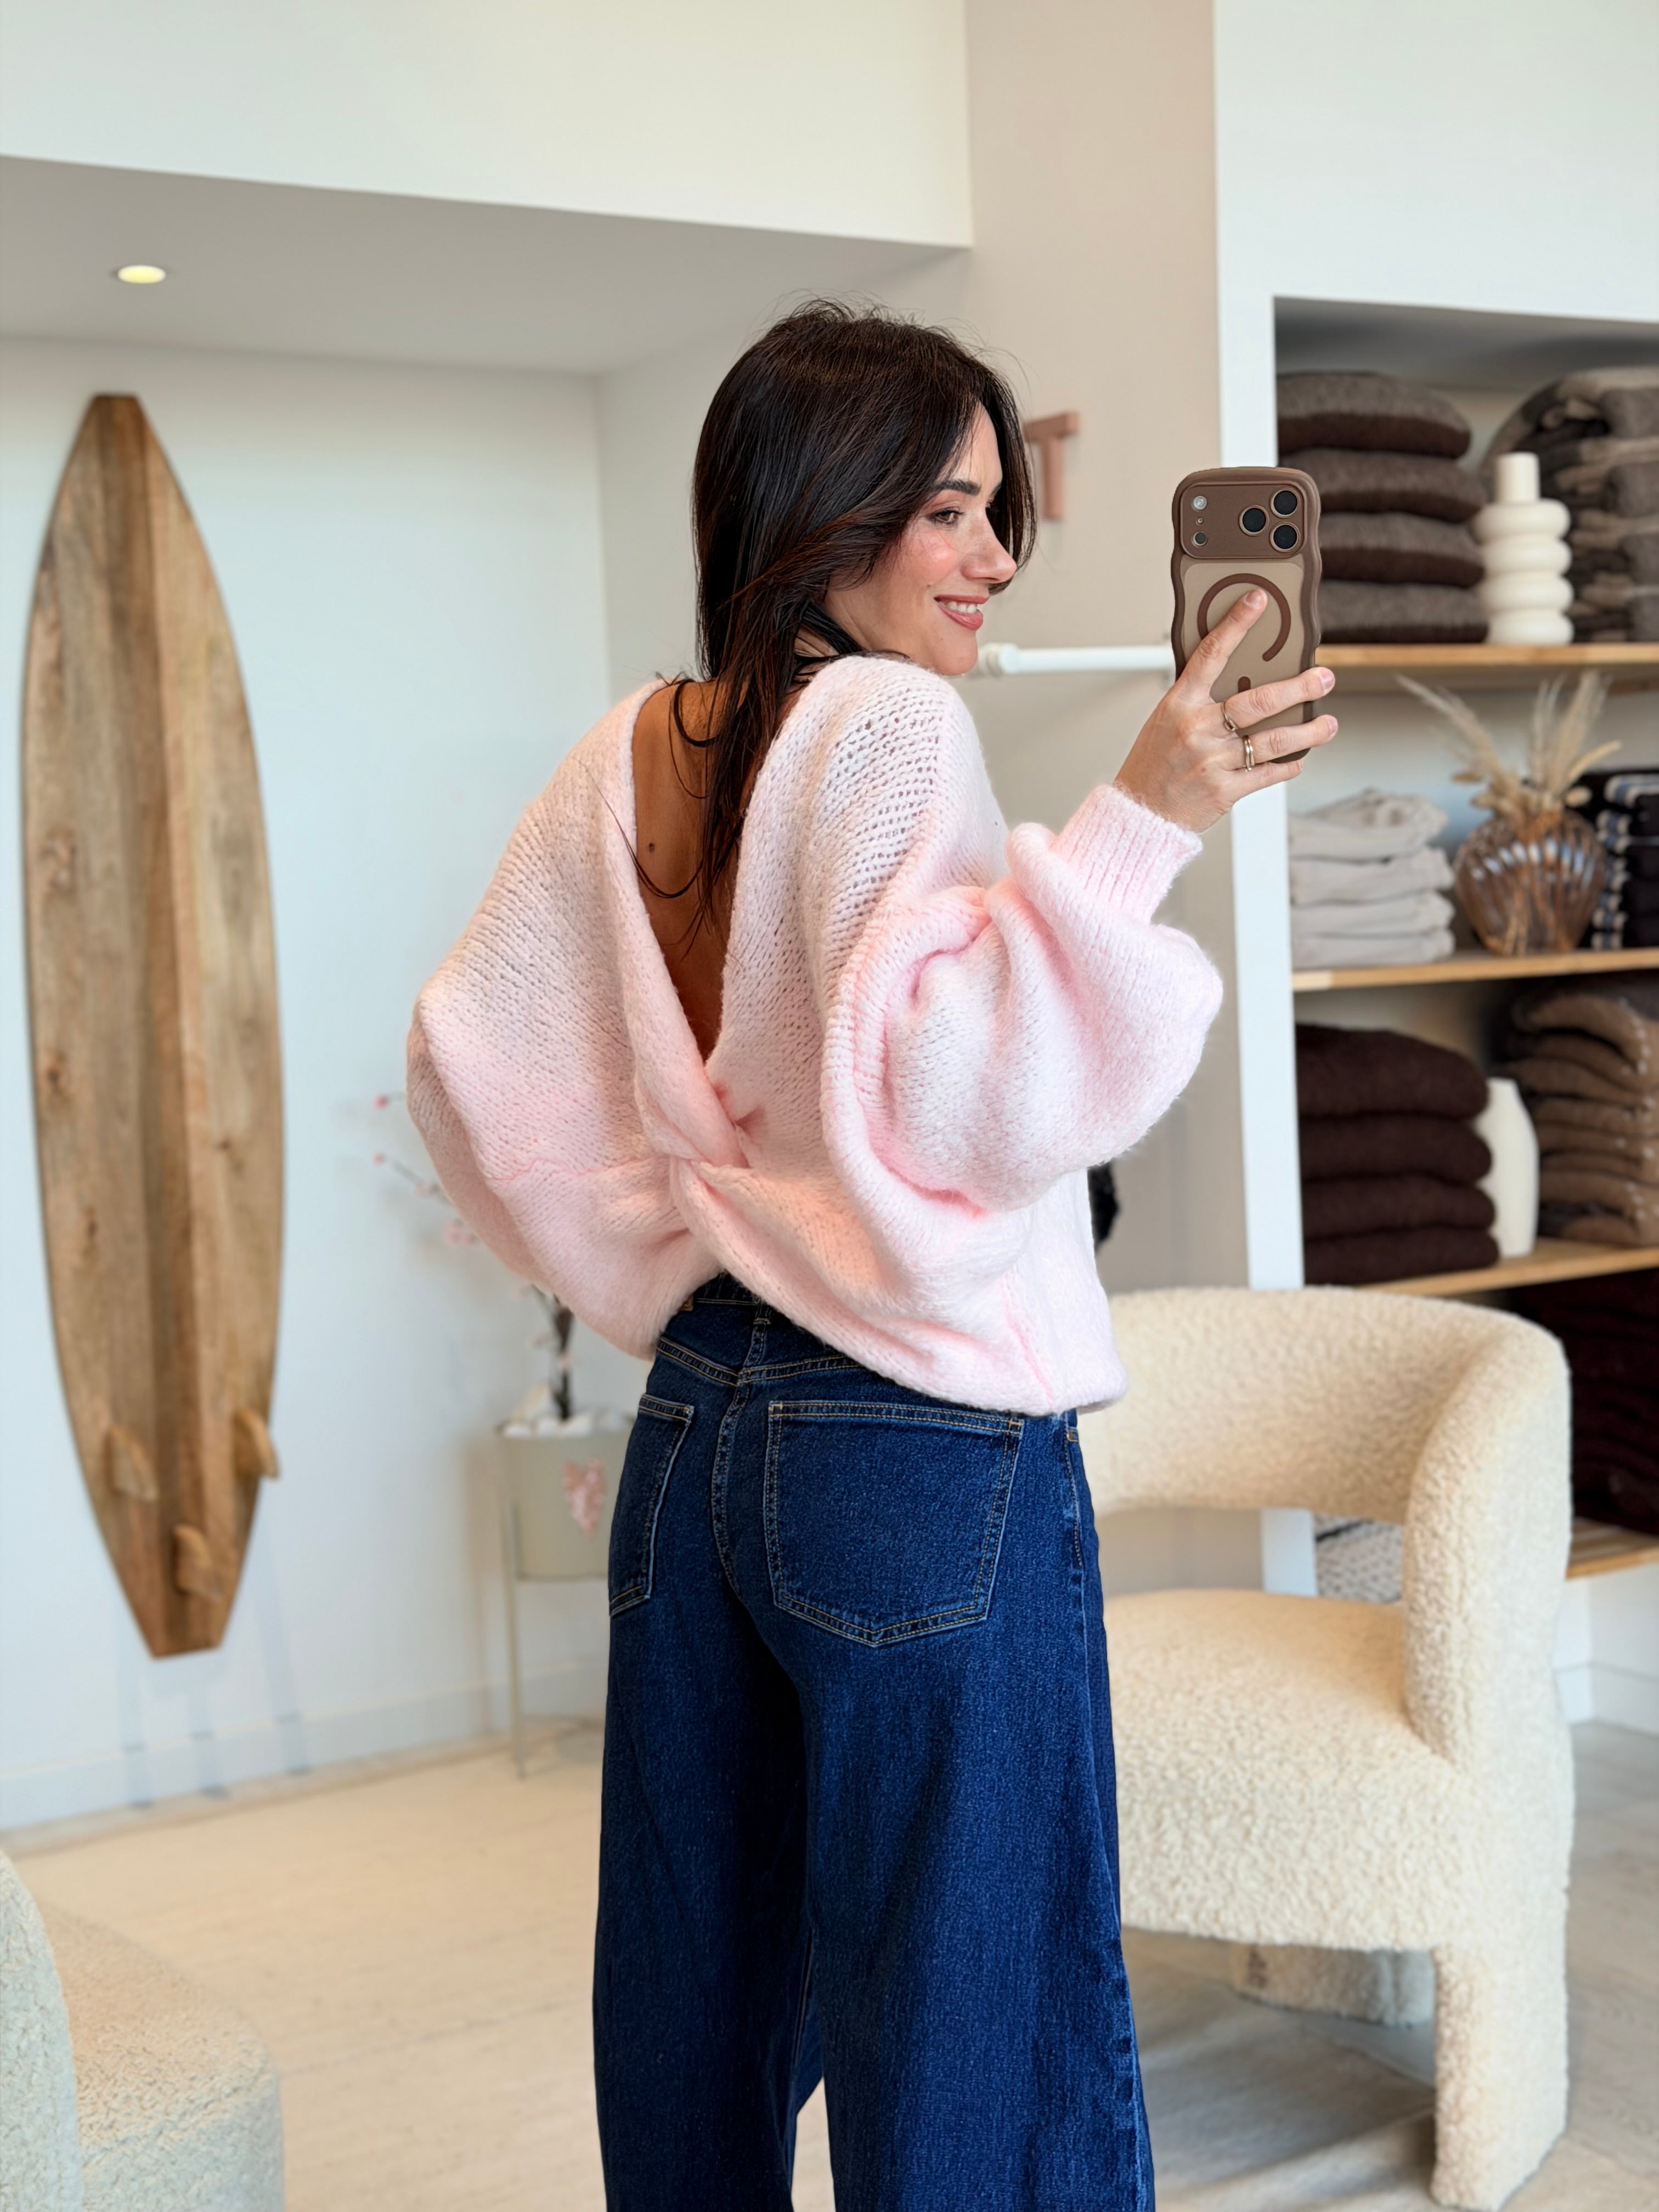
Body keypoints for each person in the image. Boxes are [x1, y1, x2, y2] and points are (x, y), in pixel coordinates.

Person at [407, 300, 1337, 2210]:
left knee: (698, 2006)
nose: (991, 558)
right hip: (912, 1448)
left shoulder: (634, 749)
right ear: (823, 511)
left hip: (698, 1431)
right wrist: (1146, 818)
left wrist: (684, 1239)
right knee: (975, 2030)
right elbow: (959, 1099)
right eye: (946, 511)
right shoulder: (893, 724)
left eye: (997, 513)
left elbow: (466, 1068)